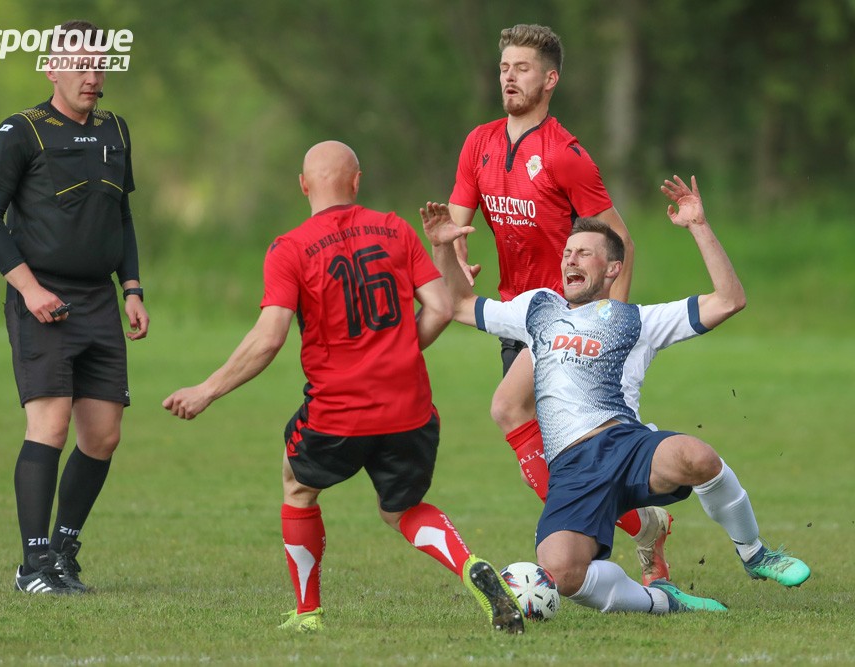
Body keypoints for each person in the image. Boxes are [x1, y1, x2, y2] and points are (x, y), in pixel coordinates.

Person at [162, 141, 524, 634]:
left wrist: (207, 389)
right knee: (402, 510)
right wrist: (398, 350)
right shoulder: (396, 229)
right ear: (357, 182)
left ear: (303, 185)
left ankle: (307, 613)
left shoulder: (290, 247)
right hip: (410, 408)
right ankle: (470, 565)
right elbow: (441, 308)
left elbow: (268, 339)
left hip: (338, 411)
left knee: (298, 485)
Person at [421, 175, 811, 614]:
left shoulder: (636, 320)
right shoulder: (538, 308)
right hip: (571, 468)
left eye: (584, 253)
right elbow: (459, 304)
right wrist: (442, 247)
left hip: (627, 447)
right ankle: (662, 601)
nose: (570, 259)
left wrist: (699, 226)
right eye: (567, 253)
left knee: (697, 457)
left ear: (612, 269)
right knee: (561, 572)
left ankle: (755, 554)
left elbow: (729, 300)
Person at [448, 23, 672, 585]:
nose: (509, 78)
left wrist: (611, 328)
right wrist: (453, 258)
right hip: (515, 317)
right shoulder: (478, 144)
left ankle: (579, 551)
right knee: (559, 457)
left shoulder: (566, 155)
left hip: (564, 319)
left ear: (550, 80)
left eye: (522, 69)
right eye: (504, 68)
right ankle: (641, 525)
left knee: (509, 408)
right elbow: (453, 229)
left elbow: (622, 242)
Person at [0, 19, 149, 595]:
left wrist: (132, 288)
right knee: (48, 425)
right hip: (43, 298)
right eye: (78, 65)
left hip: (100, 300)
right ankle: (33, 565)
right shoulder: (20, 131)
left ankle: (64, 553)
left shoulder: (116, 129)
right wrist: (29, 289)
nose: (90, 76)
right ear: (51, 68)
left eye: (98, 65)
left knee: (103, 436)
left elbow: (121, 216)